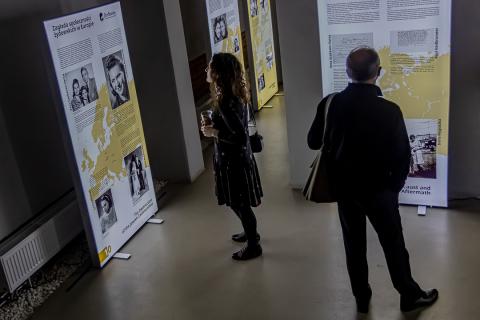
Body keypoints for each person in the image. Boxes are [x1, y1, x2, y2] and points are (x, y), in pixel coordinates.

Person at [307, 47, 438, 313]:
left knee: (353, 245)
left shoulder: (331, 102)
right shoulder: (390, 110)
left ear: (346, 73)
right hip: (380, 191)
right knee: (393, 244)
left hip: (344, 189)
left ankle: (361, 297)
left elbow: (313, 141)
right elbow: (403, 156)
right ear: (378, 73)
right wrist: (393, 189)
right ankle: (408, 295)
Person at [201, 53, 263, 261]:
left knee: (239, 204)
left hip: (233, 162)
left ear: (218, 73)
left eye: (209, 66)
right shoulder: (233, 94)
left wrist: (214, 133)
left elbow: (238, 137)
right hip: (238, 160)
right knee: (239, 203)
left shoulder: (227, 100)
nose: (206, 70)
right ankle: (250, 233)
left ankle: (253, 245)